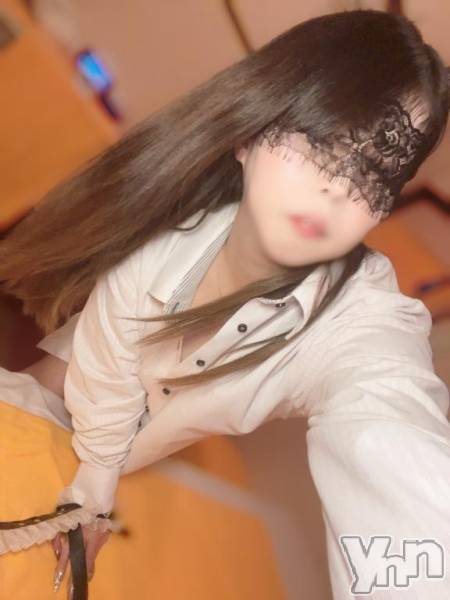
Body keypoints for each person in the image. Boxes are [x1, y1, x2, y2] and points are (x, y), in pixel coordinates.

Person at [0, 7, 449, 599]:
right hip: (67, 390)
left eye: (376, 173)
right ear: (251, 131)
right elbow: (96, 359)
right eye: (324, 138)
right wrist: (96, 479)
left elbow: (391, 425)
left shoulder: (360, 326)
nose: (337, 186)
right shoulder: (161, 239)